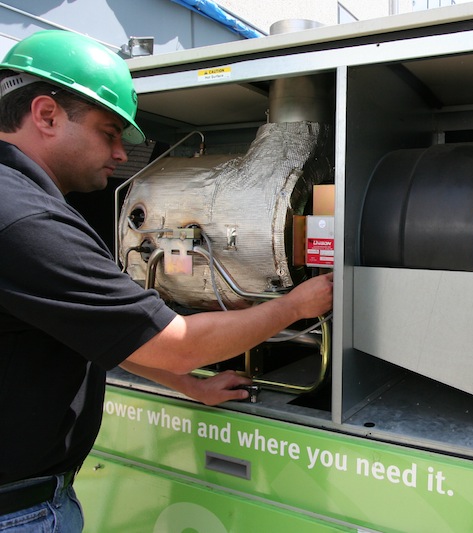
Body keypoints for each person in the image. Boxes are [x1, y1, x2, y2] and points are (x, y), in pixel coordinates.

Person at [0, 30, 333, 531]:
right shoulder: (27, 221)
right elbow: (176, 343)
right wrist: (293, 307)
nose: (119, 155)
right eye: (109, 132)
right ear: (46, 115)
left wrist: (185, 386)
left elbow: (89, 332)